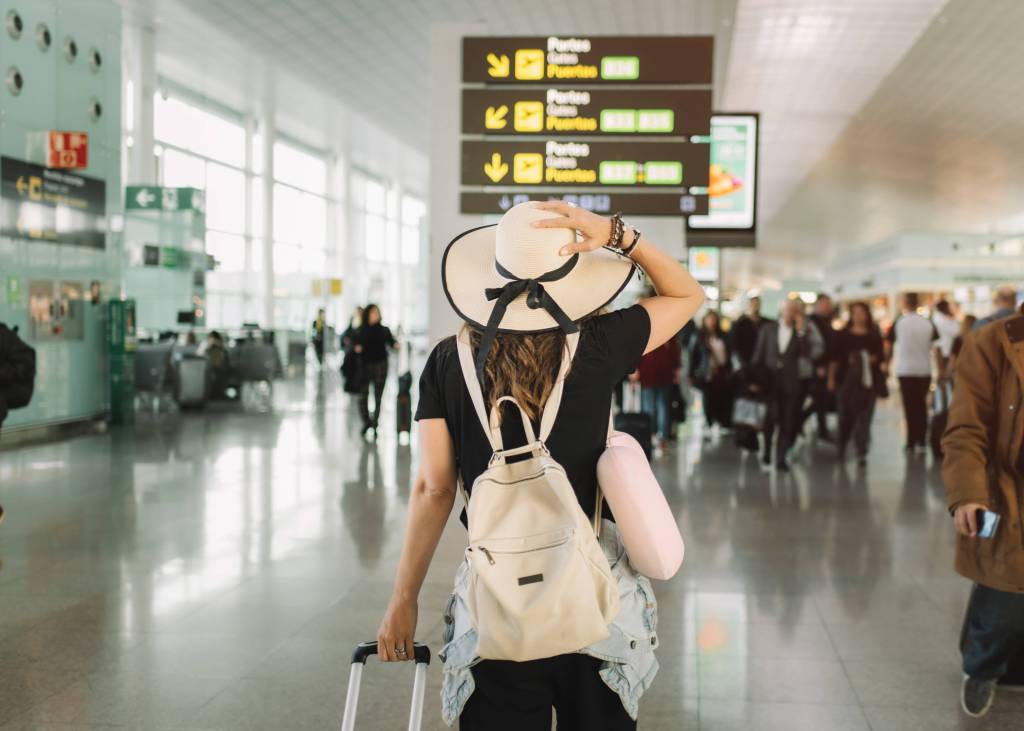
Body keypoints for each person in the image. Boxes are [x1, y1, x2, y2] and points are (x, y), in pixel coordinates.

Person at [376, 201, 704, 729]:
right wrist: (619, 236)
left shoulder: (446, 360)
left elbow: (433, 491)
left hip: (497, 598)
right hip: (596, 597)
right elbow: (687, 293)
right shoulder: (601, 343)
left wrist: (403, 599)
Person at [943, 309, 1024, 718]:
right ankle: (981, 668)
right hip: (1009, 491)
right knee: (1004, 598)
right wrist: (968, 494)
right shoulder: (991, 342)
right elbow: (965, 429)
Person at [750, 299, 824, 471]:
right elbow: (757, 356)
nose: (791, 314)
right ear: (782, 311)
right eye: (788, 310)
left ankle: (781, 457)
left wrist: (801, 332)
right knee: (770, 419)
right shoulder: (768, 329)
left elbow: (807, 354)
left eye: (795, 311)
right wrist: (754, 380)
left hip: (791, 383)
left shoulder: (801, 333)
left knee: (787, 420)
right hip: (770, 382)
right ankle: (767, 452)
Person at [829, 302, 885, 466]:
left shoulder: (873, 335)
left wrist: (866, 359)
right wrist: (831, 379)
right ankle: (842, 446)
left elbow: (880, 356)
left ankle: (861, 450)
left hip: (868, 384)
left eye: (862, 313)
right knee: (845, 416)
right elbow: (835, 358)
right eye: (856, 313)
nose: (859, 316)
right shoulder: (843, 335)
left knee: (864, 418)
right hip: (846, 383)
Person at [886, 293, 938, 455]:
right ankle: (921, 441)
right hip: (924, 369)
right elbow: (936, 346)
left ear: (904, 303)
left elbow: (889, 345)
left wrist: (886, 365)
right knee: (922, 406)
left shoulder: (900, 322)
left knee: (909, 407)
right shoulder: (927, 323)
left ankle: (910, 441)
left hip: (905, 370)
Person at [353, 303, 396, 437]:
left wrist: (396, 345)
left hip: (380, 367)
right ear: (367, 315)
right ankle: (367, 422)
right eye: (372, 313)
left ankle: (375, 424)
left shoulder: (384, 330)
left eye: (376, 312)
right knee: (362, 397)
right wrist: (356, 347)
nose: (374, 315)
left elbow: (392, 343)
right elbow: (353, 344)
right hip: (364, 367)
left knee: (378, 397)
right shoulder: (360, 330)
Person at [688, 310, 734, 434]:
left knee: (720, 397)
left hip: (721, 372)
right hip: (706, 373)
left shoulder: (723, 336)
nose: (712, 322)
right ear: (705, 320)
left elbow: (729, 354)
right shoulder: (699, 337)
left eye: (714, 319)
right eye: (709, 319)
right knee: (708, 399)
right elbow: (693, 356)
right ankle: (708, 423)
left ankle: (720, 423)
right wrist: (691, 374)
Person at [637, 332, 681, 451]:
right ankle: (658, 437)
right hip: (656, 372)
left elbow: (675, 350)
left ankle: (655, 437)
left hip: (654, 372)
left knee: (656, 407)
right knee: (659, 407)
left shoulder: (645, 328)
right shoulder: (668, 328)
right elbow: (675, 351)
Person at [802, 293, 837, 441]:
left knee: (819, 400)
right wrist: (817, 365)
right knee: (818, 399)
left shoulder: (827, 322)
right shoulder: (811, 322)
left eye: (828, 305)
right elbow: (809, 347)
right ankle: (820, 430)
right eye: (823, 304)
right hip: (816, 368)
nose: (826, 307)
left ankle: (800, 422)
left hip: (826, 367)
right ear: (817, 305)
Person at [731, 295, 772, 370]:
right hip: (745, 361)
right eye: (753, 304)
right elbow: (735, 344)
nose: (755, 306)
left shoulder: (766, 323)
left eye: (757, 304)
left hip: (762, 363)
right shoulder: (740, 324)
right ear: (749, 305)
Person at [946, 314, 978, 382]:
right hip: (975, 371)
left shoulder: (958, 339)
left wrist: (948, 371)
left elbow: (953, 358)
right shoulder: (978, 339)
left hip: (960, 372)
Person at [340, 306, 364, 394]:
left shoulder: (364, 324)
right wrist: (351, 345)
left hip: (359, 354)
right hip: (351, 352)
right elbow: (347, 335)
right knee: (350, 370)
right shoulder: (353, 322)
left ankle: (356, 387)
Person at [932, 300, 960, 375]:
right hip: (944, 349)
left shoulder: (942, 318)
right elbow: (955, 331)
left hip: (945, 348)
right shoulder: (940, 319)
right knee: (945, 371)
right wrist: (953, 319)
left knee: (944, 371)